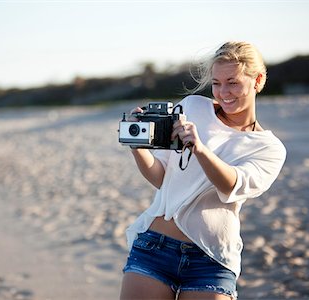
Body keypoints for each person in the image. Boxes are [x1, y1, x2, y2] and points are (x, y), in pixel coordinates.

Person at [119, 41, 287, 300]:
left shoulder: (269, 148)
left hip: (211, 260)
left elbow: (231, 185)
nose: (223, 92)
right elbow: (160, 177)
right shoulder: (193, 107)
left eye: (232, 82)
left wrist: (200, 149)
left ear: (258, 80)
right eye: (216, 83)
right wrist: (136, 146)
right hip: (155, 247)